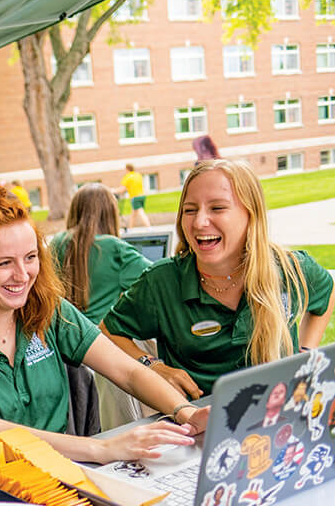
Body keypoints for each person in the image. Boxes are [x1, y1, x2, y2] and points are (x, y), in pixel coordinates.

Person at [0, 183, 209, 481]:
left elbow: (128, 372)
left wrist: (186, 412)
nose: (22, 275)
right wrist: (98, 449)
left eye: (30, 257)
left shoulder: (50, 311)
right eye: (4, 263)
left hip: (61, 472)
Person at [101, 159, 334, 400]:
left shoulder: (289, 269)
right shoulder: (161, 282)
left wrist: (306, 354)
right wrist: (152, 366)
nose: (200, 222)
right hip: (198, 427)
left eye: (217, 208)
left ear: (250, 214)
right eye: (190, 210)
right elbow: (108, 331)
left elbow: (326, 293)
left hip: (280, 422)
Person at [50, 183, 151, 325]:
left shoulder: (57, 241)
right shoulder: (115, 248)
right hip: (101, 340)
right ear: (110, 213)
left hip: (62, 338)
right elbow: (160, 279)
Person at [114, 164, 150, 229]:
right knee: (133, 214)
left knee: (140, 212)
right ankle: (130, 228)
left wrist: (113, 191)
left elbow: (122, 189)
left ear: (127, 169)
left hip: (135, 196)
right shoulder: (137, 175)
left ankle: (149, 227)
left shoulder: (128, 177)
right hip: (142, 196)